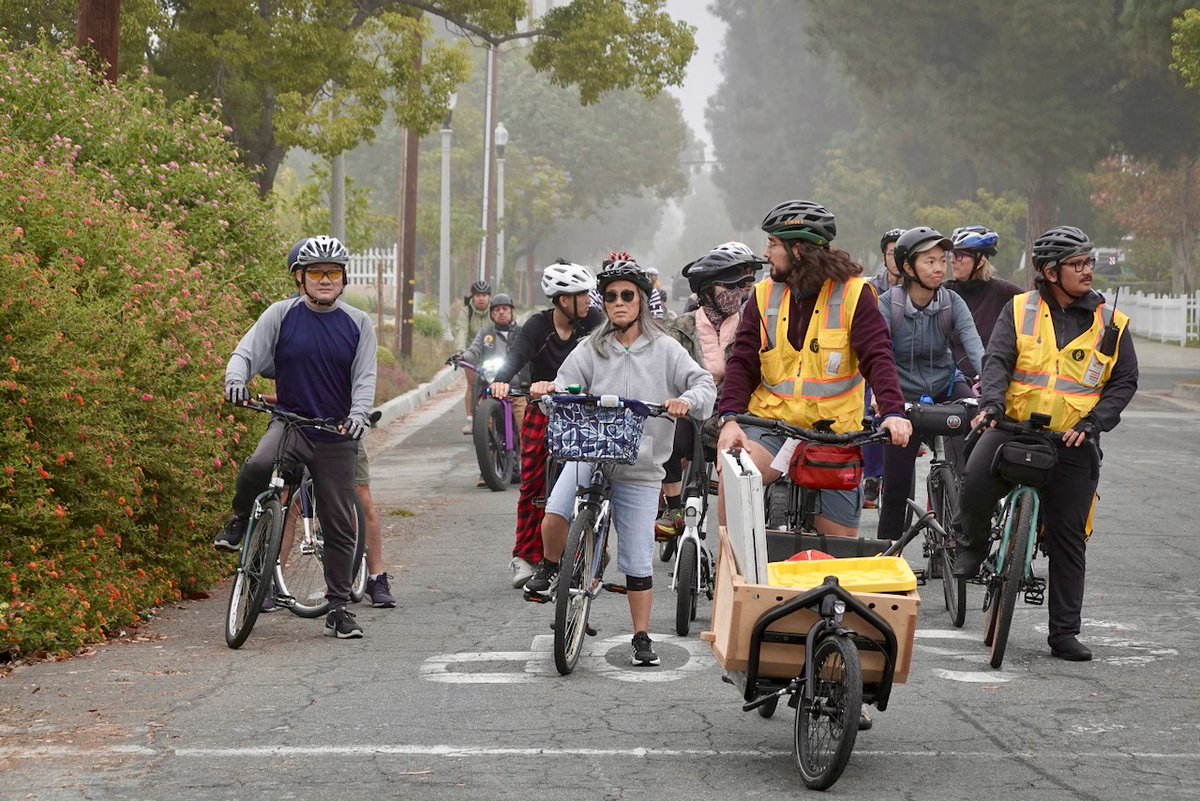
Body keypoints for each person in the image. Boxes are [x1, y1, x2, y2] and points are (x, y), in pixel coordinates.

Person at [953, 225, 1138, 662]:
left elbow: (1124, 380)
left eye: (1089, 262)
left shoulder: (1111, 321)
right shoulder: (1020, 309)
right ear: (1051, 272)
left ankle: (1064, 634)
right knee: (975, 480)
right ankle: (972, 547)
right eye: (1078, 264)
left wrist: (1094, 423)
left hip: (1072, 441)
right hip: (1013, 426)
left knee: (1070, 538)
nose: (1088, 270)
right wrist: (992, 405)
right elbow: (996, 359)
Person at [523, 260, 716, 665]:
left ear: (642, 301)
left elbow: (704, 383)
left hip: (641, 467)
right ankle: (555, 568)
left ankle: (641, 636)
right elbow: (562, 385)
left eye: (627, 295)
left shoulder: (666, 348)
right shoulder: (593, 345)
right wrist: (546, 389)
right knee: (555, 513)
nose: (618, 303)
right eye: (610, 297)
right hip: (590, 452)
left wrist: (686, 401)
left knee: (636, 556)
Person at [716, 200, 912, 539]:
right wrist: (729, 419)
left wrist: (893, 411)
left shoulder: (854, 294)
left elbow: (878, 356)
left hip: (833, 436)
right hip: (771, 428)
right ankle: (731, 574)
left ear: (799, 250)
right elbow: (742, 362)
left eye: (773, 244)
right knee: (734, 475)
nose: (765, 253)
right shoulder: (763, 296)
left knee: (837, 558)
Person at [217, 235, 377, 639]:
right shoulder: (281, 314)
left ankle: (338, 608)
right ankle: (239, 521)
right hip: (290, 422)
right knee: (257, 465)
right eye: (317, 273)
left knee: (339, 521)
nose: (326, 280)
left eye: (333, 273)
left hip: (336, 431)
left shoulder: (358, 323)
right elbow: (246, 351)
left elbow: (364, 378)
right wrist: (236, 378)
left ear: (343, 279)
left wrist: (358, 415)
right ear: (300, 278)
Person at [490, 261, 604, 589]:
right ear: (563, 300)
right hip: (544, 409)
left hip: (584, 411)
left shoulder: (595, 322)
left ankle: (593, 545)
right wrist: (501, 381)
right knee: (533, 484)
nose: (589, 300)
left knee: (594, 483)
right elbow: (516, 356)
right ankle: (525, 556)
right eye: (582, 295)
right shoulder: (537, 326)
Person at [874, 227, 983, 541]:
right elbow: (876, 357)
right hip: (899, 396)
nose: (939, 268)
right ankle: (884, 560)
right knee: (895, 490)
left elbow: (977, 351)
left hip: (946, 386)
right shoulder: (887, 305)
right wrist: (880, 398)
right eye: (929, 261)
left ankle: (972, 537)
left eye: (942, 260)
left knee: (981, 434)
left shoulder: (952, 303)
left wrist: (992, 393)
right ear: (908, 268)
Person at [656, 246, 764, 541]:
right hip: (691, 411)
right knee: (668, 428)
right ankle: (674, 507)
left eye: (739, 286)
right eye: (727, 287)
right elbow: (666, 371)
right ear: (705, 293)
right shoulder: (680, 326)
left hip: (736, 415)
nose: (736, 293)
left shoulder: (750, 325)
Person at [460, 293, 528, 486]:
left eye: (505, 309)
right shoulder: (485, 334)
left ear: (512, 311)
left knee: (526, 424)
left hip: (517, 390)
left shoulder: (522, 333)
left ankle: (529, 467)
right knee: (485, 425)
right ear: (491, 314)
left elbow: (533, 350)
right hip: (492, 389)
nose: (501, 313)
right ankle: (487, 470)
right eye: (497, 310)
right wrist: (463, 357)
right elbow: (473, 351)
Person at [944, 225, 1023, 381]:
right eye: (952, 254)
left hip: (991, 382)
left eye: (959, 255)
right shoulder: (943, 292)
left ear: (980, 262)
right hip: (949, 383)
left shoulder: (1006, 293)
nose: (952, 260)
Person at [862, 228, 906, 507]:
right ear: (884, 257)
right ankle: (873, 475)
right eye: (893, 253)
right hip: (876, 361)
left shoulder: (922, 289)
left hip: (908, 365)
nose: (899, 259)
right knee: (868, 407)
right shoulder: (871, 289)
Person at [461, 279, 492, 434]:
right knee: (472, 385)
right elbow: (461, 331)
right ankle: (471, 420)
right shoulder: (467, 312)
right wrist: (461, 352)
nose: (481, 298)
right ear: (472, 297)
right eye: (478, 295)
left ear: (489, 297)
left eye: (484, 295)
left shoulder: (495, 310)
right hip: (472, 354)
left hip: (492, 354)